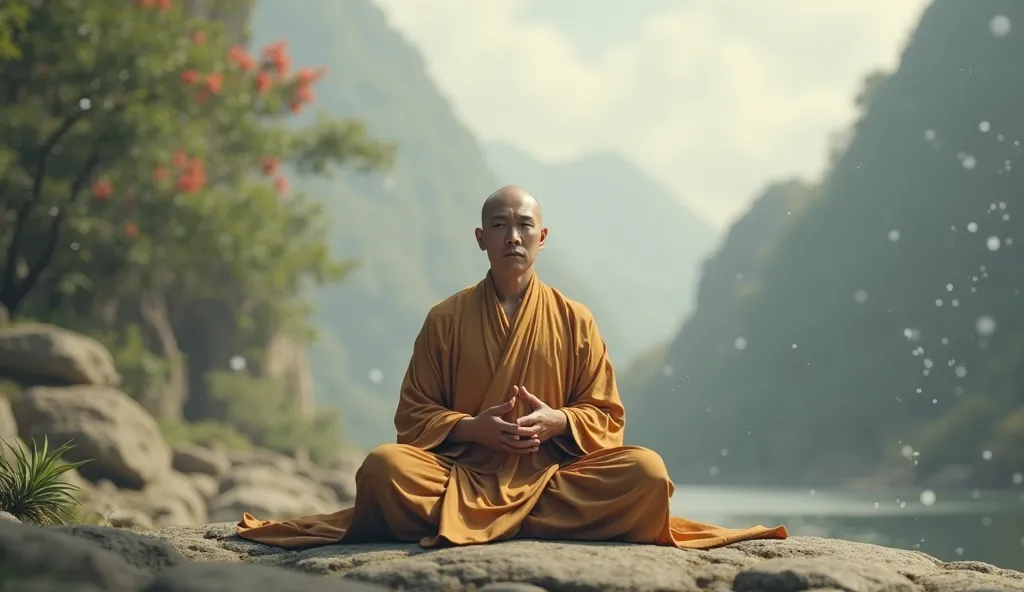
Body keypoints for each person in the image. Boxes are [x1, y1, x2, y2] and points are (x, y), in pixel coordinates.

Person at [236, 185, 788, 549]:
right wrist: (470, 428)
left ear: (542, 239)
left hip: (553, 476)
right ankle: (527, 524)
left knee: (645, 473)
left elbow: (606, 415)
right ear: (481, 239)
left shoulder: (575, 320)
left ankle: (483, 521)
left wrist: (558, 423)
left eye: (525, 225)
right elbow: (412, 416)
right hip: (461, 473)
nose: (513, 236)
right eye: (499, 226)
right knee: (384, 468)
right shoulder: (445, 318)